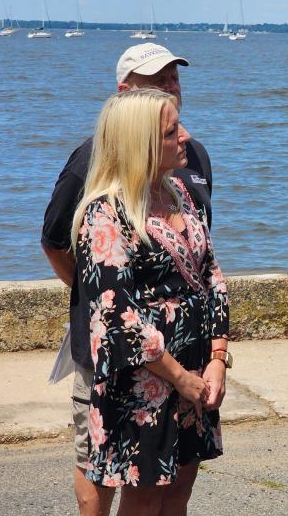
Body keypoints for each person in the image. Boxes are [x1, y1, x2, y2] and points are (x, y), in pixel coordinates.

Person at [40, 43, 213, 516]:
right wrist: (100, 295)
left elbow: (204, 265)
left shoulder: (188, 164)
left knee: (172, 485)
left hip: (186, 364)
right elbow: (56, 243)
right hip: (120, 360)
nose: (171, 88)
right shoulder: (91, 164)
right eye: (157, 82)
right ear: (126, 94)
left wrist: (216, 354)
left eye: (173, 78)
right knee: (102, 467)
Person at [72, 88, 228, 514]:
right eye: (171, 131)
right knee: (145, 501)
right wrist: (179, 377)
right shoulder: (105, 214)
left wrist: (217, 358)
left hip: (196, 375)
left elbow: (211, 277)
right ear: (140, 143)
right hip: (144, 386)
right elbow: (117, 313)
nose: (186, 137)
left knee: (179, 492)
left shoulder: (179, 193)